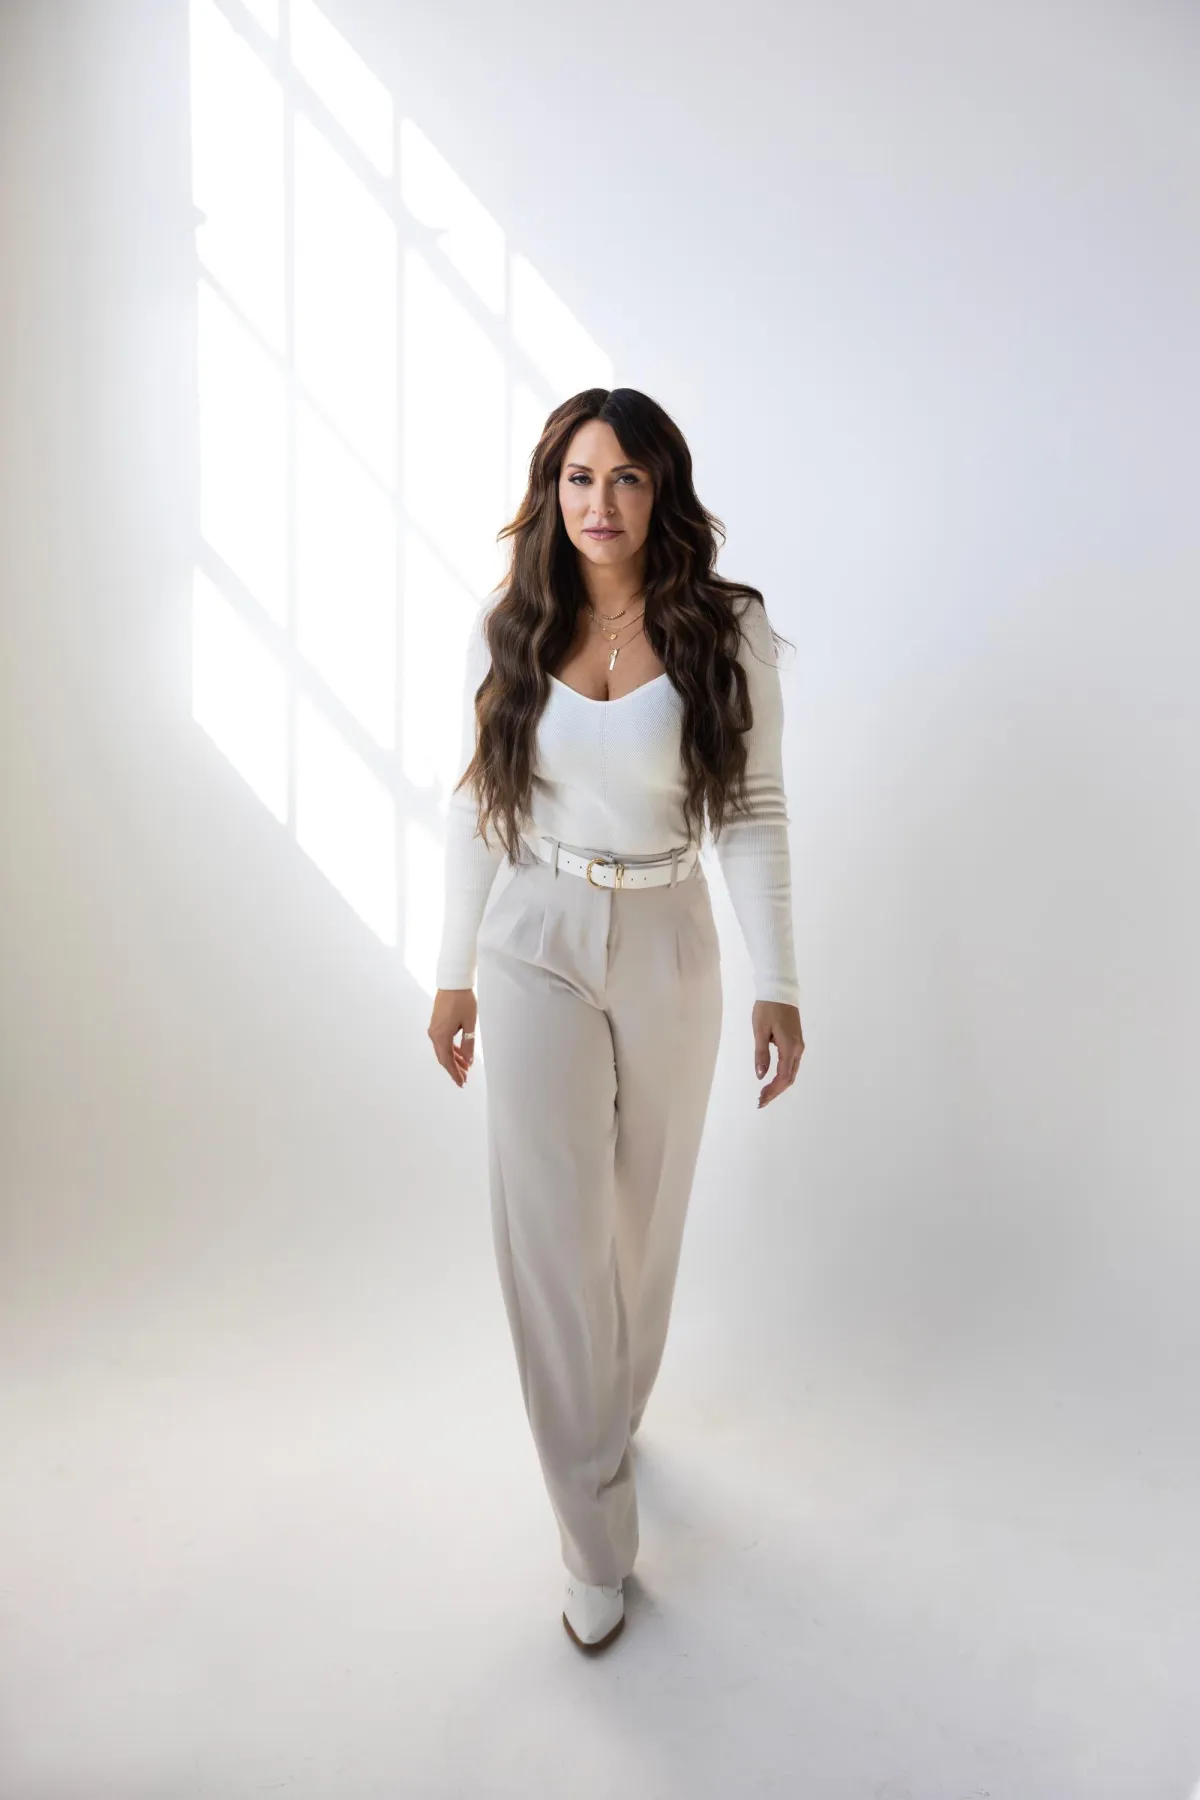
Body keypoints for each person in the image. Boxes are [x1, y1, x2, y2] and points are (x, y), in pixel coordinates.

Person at [427, 386, 805, 1654]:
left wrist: (780, 981)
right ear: (554, 490)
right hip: (533, 937)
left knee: (642, 1221)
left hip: (668, 935)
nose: (601, 503)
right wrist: (452, 972)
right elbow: (476, 804)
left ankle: (611, 1416)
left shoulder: (725, 627)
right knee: (552, 1233)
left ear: (661, 492)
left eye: (627, 478)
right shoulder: (513, 624)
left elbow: (753, 808)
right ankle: (592, 1532)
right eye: (581, 478)